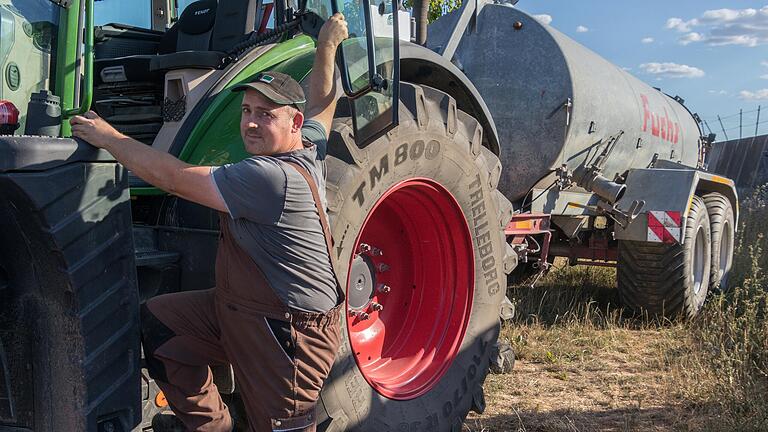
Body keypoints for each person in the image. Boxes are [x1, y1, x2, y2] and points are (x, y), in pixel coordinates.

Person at [70, 13, 349, 432]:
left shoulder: (269, 178)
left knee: (281, 426)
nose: (251, 123)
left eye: (265, 115)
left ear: (291, 124)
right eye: (247, 110)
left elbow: (173, 179)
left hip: (288, 336)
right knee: (162, 325)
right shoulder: (307, 147)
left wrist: (109, 137)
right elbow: (322, 107)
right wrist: (326, 47)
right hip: (243, 313)